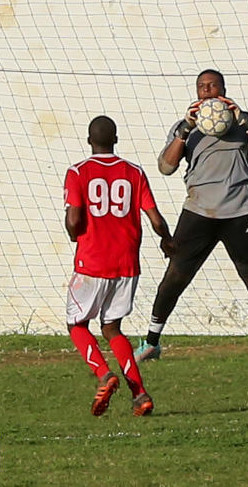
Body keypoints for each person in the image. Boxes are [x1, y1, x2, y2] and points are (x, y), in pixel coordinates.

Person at [134, 69, 248, 360]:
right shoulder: (185, 127)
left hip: (238, 211)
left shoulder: (245, 122)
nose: (207, 91)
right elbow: (165, 167)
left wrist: (246, 121)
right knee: (176, 275)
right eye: (201, 86)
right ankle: (152, 342)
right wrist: (184, 130)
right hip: (198, 211)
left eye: (212, 85)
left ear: (223, 90)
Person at [64, 115, 175, 416]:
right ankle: (140, 395)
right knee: (112, 327)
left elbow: (74, 219)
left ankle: (104, 374)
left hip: (92, 261)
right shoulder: (134, 172)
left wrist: (74, 233)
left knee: (77, 324)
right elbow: (155, 218)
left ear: (89, 141)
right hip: (127, 263)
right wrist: (167, 240)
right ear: (115, 140)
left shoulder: (78, 172)